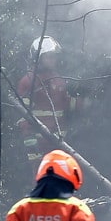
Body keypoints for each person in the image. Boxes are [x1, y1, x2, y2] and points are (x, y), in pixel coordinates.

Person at [16, 35, 79, 164]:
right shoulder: (29, 81)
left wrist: (88, 104)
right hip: (40, 147)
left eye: (54, 56)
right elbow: (24, 117)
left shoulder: (57, 79)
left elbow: (65, 103)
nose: (53, 60)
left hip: (61, 145)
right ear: (38, 58)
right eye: (49, 56)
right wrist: (33, 150)